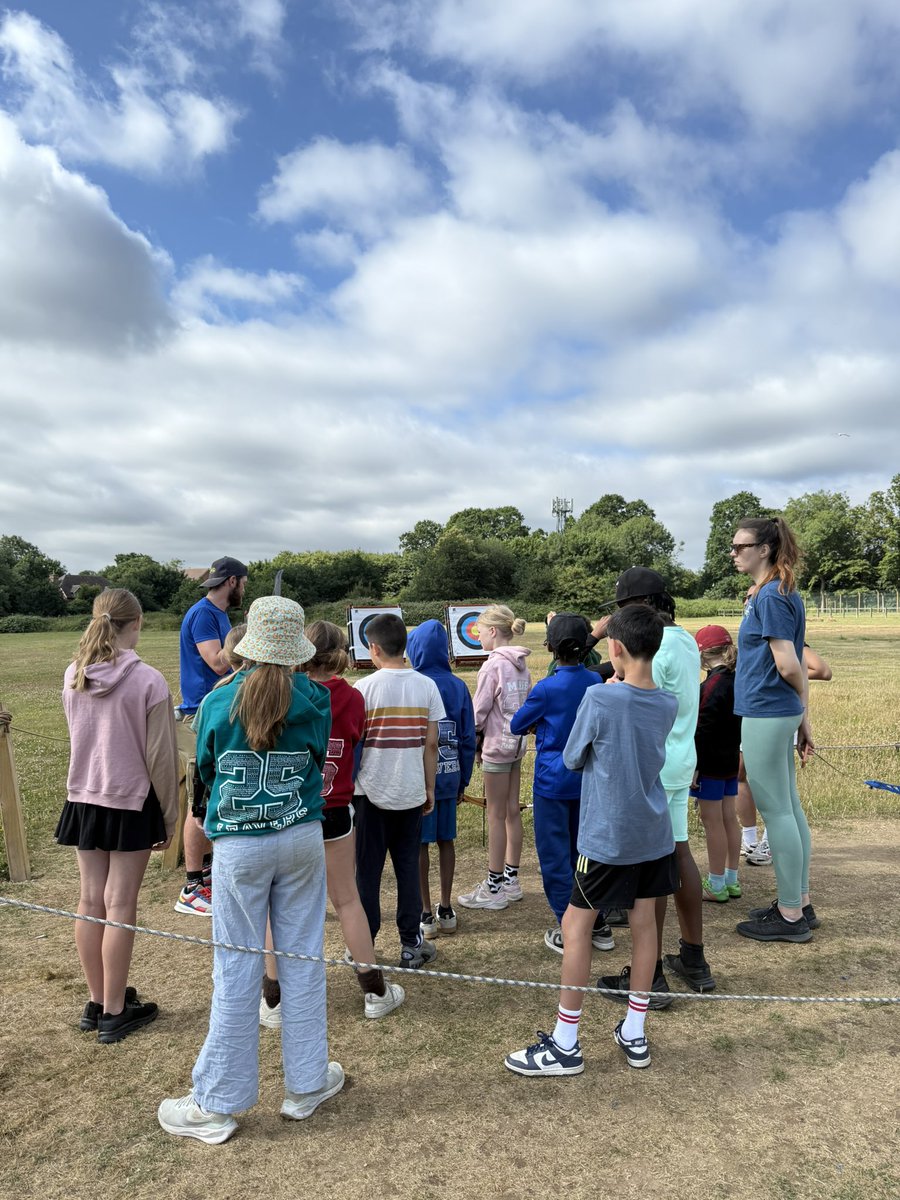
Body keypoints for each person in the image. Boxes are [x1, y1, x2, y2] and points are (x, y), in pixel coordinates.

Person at [158, 596, 340, 1144]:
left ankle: (218, 1103)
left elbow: (207, 765)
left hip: (240, 843)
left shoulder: (220, 700)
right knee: (302, 955)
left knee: (236, 965)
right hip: (301, 834)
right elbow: (314, 754)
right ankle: (305, 1083)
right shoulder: (314, 695)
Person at [504, 605, 678, 1076]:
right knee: (646, 929)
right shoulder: (667, 702)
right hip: (654, 834)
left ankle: (565, 1044)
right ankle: (634, 1030)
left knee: (577, 928)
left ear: (615, 648)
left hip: (606, 839)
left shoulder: (602, 699)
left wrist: (605, 696)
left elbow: (576, 755)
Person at [260, 621, 406, 1025]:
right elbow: (354, 738)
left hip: (289, 810)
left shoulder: (284, 691)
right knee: (347, 899)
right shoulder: (351, 697)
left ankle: (274, 999)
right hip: (334, 808)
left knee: (278, 905)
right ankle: (373, 989)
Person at [57, 588, 178, 1043]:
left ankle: (99, 999)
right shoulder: (149, 680)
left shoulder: (74, 673)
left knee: (91, 901)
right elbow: (161, 758)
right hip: (130, 799)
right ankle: (113, 1009)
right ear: (138, 622)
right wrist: (169, 816)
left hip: (85, 797)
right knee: (119, 903)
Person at [595, 568, 714, 1002]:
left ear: (638, 607)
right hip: (682, 758)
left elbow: (634, 702)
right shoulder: (684, 639)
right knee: (679, 852)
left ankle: (652, 972)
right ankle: (694, 959)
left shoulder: (651, 646)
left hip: (653, 765)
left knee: (653, 869)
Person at [730, 518, 817, 943]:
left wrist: (799, 711)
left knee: (778, 811)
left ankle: (789, 915)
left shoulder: (770, 596)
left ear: (764, 549)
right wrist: (802, 716)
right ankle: (798, 901)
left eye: (740, 546)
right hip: (777, 710)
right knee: (789, 807)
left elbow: (787, 663)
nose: (734, 553)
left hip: (765, 711)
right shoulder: (779, 592)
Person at [508, 613, 613, 954]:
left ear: (550, 647)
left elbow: (517, 724)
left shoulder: (547, 687)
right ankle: (597, 922)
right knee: (586, 853)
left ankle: (567, 925)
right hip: (589, 781)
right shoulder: (596, 683)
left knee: (555, 856)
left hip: (553, 783)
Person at [353, 613, 445, 968]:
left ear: (373, 648)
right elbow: (431, 744)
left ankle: (365, 945)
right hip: (411, 793)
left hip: (369, 795)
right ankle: (410, 944)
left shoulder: (363, 688)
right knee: (408, 869)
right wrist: (429, 788)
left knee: (368, 872)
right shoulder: (426, 686)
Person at [174, 556, 248, 917]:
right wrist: (249, 645)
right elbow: (219, 664)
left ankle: (206, 875)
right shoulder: (205, 614)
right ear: (232, 581)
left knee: (214, 790)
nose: (244, 589)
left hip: (216, 710)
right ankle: (191, 887)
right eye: (243, 583)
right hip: (202, 712)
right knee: (200, 798)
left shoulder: (218, 616)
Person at [457, 605, 532, 911]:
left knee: (496, 815)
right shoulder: (521, 663)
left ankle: (494, 886)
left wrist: (470, 736)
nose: (477, 637)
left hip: (497, 749)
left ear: (492, 632)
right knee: (512, 811)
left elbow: (478, 712)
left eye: (478, 631)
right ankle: (511, 881)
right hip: (516, 744)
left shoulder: (492, 666)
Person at [405, 619, 477, 941]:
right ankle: (446, 908)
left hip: (419, 779)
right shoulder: (459, 686)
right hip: (449, 779)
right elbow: (467, 736)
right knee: (447, 841)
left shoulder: (413, 683)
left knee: (420, 844)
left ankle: (425, 912)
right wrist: (463, 779)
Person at [738, 644, 832, 864]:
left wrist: (775, 679)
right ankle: (750, 838)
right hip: (765, 711)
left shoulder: (783, 636)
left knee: (778, 794)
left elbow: (823, 671)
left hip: (771, 711)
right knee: (743, 773)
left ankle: (769, 843)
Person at [692, 626, 742, 903]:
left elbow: (703, 728)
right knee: (728, 819)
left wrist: (695, 765)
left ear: (702, 654)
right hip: (731, 759)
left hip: (710, 764)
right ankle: (732, 880)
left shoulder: (711, 685)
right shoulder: (737, 680)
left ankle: (716, 883)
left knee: (712, 823)